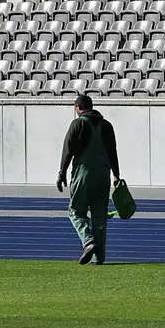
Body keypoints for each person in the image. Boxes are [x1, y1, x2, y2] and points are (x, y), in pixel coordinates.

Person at [56, 95, 121, 265]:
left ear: (78, 108)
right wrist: (116, 175)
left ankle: (88, 241)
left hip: (83, 174)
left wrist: (62, 172)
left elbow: (67, 149)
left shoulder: (78, 124)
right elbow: (113, 151)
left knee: (76, 211)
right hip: (103, 175)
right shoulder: (107, 126)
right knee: (99, 216)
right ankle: (99, 257)